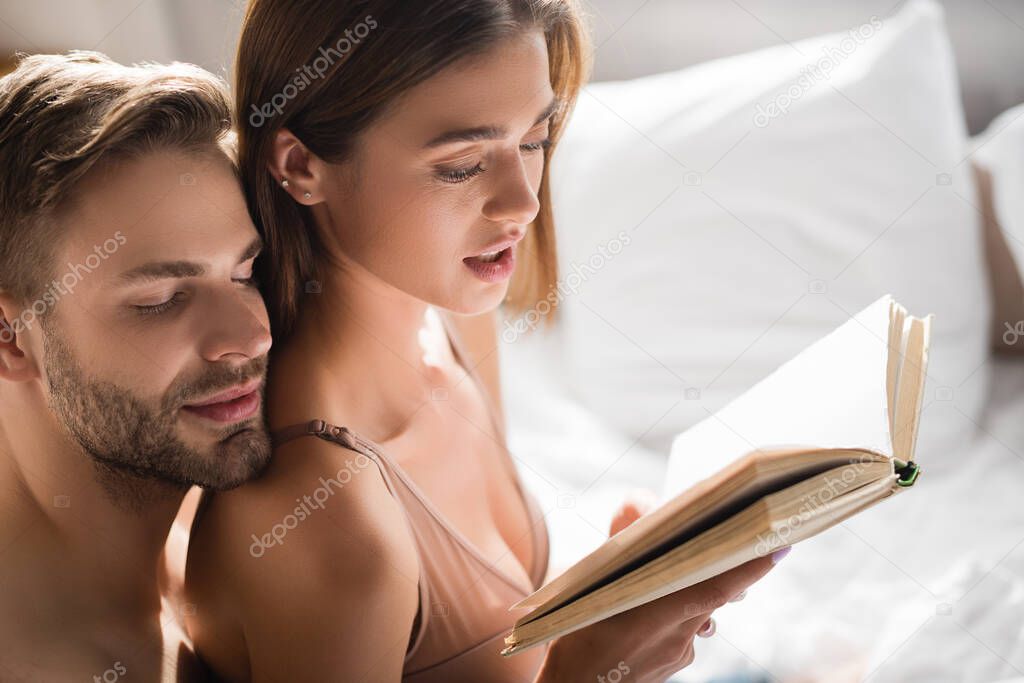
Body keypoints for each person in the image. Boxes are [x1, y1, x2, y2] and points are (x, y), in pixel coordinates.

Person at [186, 1, 786, 681]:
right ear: (299, 165)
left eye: (532, 141)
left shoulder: (451, 321)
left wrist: (611, 588)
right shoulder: (328, 531)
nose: (522, 201)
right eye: (463, 164)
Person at [0, 51, 273, 680]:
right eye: (160, 301)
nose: (248, 337)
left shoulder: (213, 561)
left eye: (244, 273)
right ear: (11, 338)